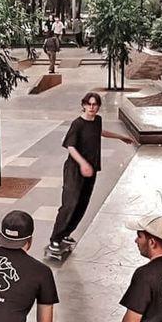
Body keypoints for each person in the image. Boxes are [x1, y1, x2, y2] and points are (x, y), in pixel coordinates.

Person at [48, 92, 134, 252]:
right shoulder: (77, 124)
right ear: (84, 105)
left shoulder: (97, 120)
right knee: (70, 204)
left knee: (82, 204)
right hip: (75, 170)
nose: (92, 107)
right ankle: (55, 238)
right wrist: (82, 164)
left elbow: (99, 132)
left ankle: (67, 233)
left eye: (95, 105)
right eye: (89, 104)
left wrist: (120, 137)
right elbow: (70, 146)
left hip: (91, 169)